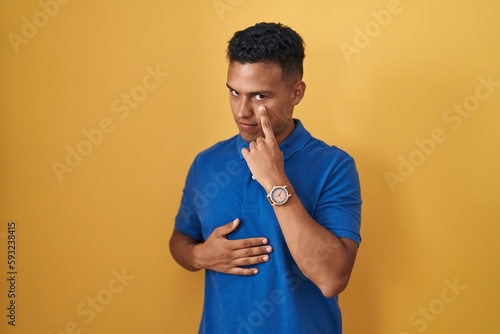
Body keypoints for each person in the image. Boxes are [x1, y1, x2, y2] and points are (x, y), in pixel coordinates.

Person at [169, 22, 362, 334]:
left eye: (260, 96)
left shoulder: (334, 166)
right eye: (234, 92)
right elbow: (181, 239)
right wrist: (197, 255)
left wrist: (276, 181)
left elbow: (332, 279)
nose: (242, 111)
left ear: (296, 92)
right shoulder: (206, 163)